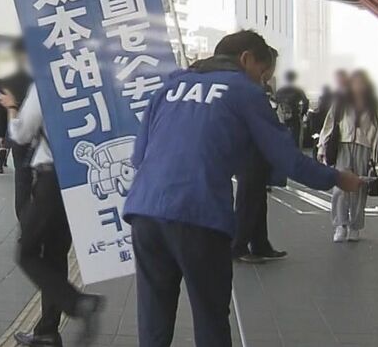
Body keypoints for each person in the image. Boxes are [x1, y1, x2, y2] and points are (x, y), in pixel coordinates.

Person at [124, 30, 363, 347]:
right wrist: (336, 178)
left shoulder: (170, 86)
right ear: (246, 59)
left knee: (154, 321)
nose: (264, 83)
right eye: (264, 75)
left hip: (144, 212)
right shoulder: (243, 92)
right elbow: (288, 159)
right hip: (199, 214)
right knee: (210, 318)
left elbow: (139, 155)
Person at [0, 85, 102, 346]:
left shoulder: (47, 83)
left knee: (27, 252)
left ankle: (78, 303)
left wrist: (11, 106)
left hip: (51, 179)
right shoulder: (93, 85)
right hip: (78, 179)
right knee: (55, 255)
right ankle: (47, 331)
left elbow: (21, 134)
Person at [232, 48, 286, 263]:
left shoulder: (262, 88)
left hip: (261, 151)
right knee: (248, 199)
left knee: (258, 200)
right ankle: (238, 245)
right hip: (249, 152)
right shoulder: (248, 89)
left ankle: (260, 243)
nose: (273, 70)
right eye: (271, 65)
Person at [319, 70, 378, 243]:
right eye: (355, 82)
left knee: (359, 188)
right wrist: (322, 147)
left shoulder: (372, 105)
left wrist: (375, 156)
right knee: (340, 186)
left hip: (363, 147)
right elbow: (329, 123)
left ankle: (355, 226)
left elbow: (376, 130)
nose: (358, 86)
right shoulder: (341, 103)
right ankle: (340, 224)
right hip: (343, 145)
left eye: (361, 83)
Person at [1, 40, 34, 220]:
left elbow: (1, 110)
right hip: (35, 135)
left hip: (17, 133)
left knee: (22, 180)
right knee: (34, 180)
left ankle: (25, 223)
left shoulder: (8, 80)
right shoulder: (40, 78)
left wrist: (1, 136)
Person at [274, 70, 309, 147]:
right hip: (295, 117)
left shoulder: (280, 91)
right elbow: (306, 102)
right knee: (295, 139)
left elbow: (274, 104)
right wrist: (302, 113)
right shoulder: (298, 91)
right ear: (295, 78)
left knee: (282, 139)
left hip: (281, 118)